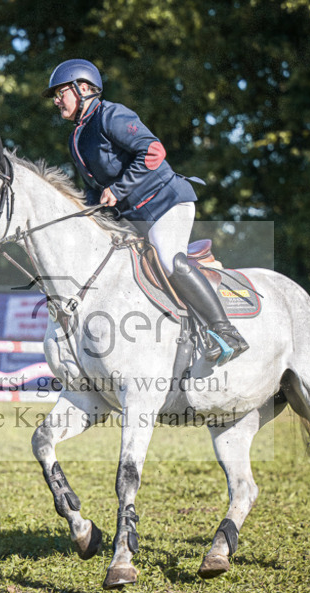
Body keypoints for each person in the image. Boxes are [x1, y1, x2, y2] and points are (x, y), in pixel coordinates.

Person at [43, 58, 248, 364]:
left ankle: (226, 330)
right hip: (133, 217)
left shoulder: (111, 114)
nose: (58, 100)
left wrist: (118, 190)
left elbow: (153, 152)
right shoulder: (77, 137)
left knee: (169, 260)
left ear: (83, 88)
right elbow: (93, 188)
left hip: (166, 203)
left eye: (61, 92)